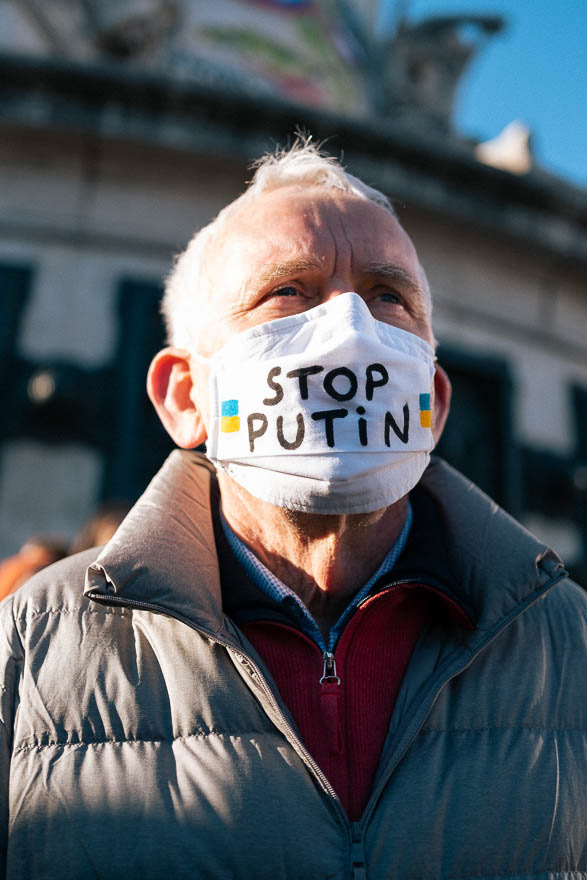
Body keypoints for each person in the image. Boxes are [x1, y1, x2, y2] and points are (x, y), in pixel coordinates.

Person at [1, 139, 585, 880]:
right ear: (186, 397)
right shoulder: (29, 648)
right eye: (289, 291)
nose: (349, 328)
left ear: (434, 405)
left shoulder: (571, 644)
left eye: (387, 295)